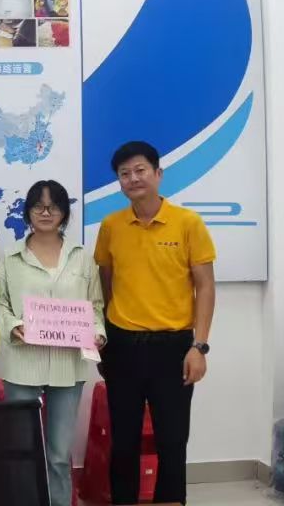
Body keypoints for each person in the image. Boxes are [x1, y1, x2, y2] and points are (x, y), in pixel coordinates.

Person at [94, 141, 216, 505]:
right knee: (124, 441)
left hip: (173, 347)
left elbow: (205, 286)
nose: (133, 179)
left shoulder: (188, 223)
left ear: (158, 174)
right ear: (119, 181)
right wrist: (105, 338)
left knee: (172, 440)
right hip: (122, 347)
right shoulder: (111, 226)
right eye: (124, 173)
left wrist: (199, 346)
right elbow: (105, 281)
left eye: (140, 170)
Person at [0, 180, 106, 506]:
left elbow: (95, 305)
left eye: (53, 206)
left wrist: (97, 332)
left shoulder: (81, 257)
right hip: (23, 364)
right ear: (28, 211)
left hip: (68, 366)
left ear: (64, 213)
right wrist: (14, 326)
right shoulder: (11, 256)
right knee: (22, 450)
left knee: (58, 454)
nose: (45, 212)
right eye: (38, 206)